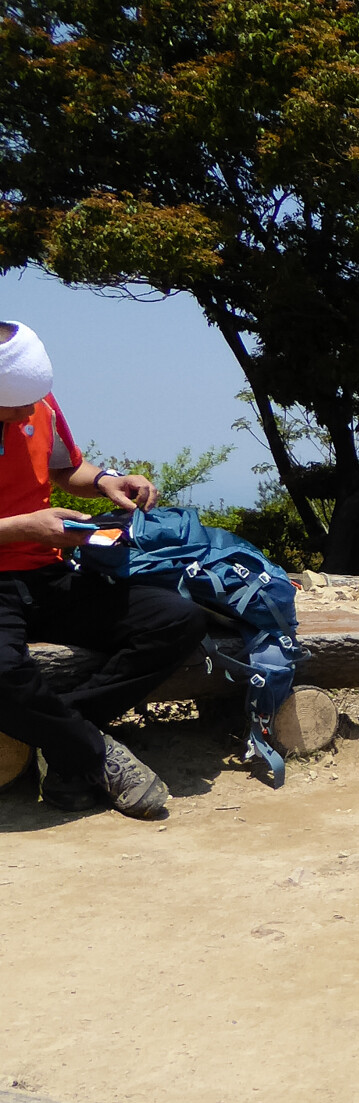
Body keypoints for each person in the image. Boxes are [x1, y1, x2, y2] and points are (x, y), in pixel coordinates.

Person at [0, 320, 205, 818]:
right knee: (2, 670)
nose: (31, 411)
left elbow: (66, 468)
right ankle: (93, 753)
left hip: (49, 569)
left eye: (36, 400)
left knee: (178, 620)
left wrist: (109, 481)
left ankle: (65, 738)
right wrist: (24, 527)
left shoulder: (38, 402)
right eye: (16, 407)